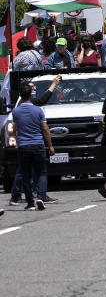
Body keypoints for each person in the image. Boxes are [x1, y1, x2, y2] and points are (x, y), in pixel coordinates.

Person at [10, 82, 55, 211]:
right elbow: (45, 129)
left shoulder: (16, 111)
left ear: (20, 95)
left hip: (23, 146)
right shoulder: (38, 110)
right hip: (38, 145)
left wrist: (18, 140)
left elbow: (14, 129)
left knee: (25, 174)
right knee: (41, 172)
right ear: (31, 95)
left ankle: (30, 203)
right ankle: (41, 196)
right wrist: (50, 146)